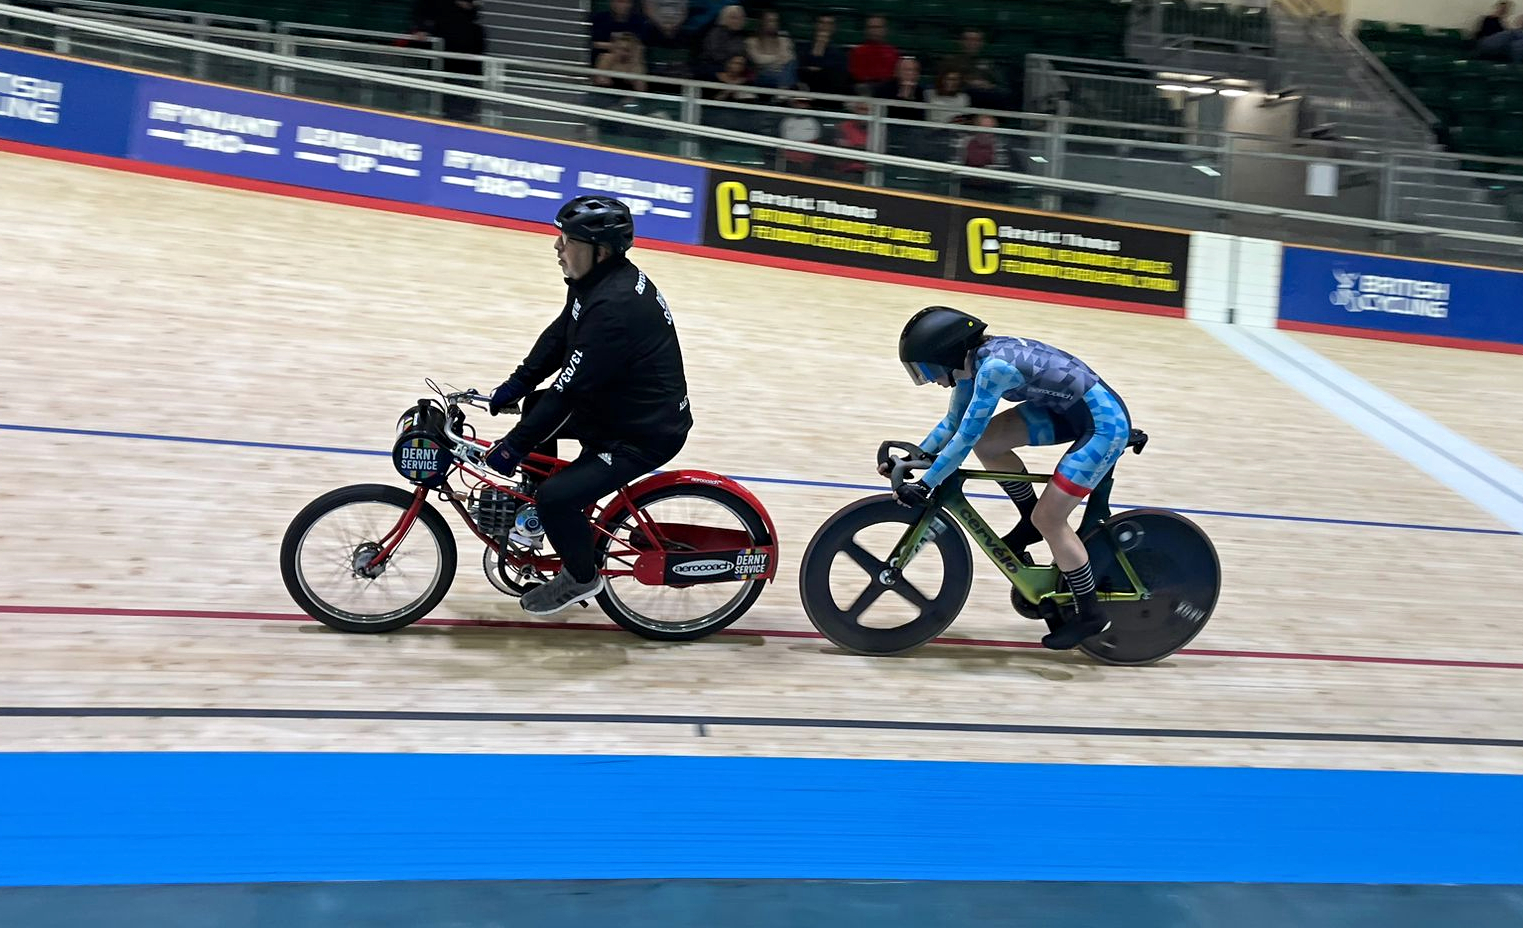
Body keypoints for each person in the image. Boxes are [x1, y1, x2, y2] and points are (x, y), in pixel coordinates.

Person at [483, 196, 693, 615]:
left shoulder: (614, 308)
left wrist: (512, 448)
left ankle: (581, 577)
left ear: (600, 250)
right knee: (535, 405)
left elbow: (569, 392)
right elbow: (563, 332)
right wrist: (520, 380)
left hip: (643, 433)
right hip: (619, 408)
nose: (557, 248)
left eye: (567, 240)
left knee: (557, 497)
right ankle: (541, 511)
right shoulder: (598, 284)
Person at [889, 306, 1132, 651]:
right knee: (991, 442)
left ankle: (1090, 612)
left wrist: (926, 482)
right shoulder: (970, 365)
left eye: (926, 369)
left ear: (945, 353)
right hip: (1065, 410)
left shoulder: (994, 370)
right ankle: (1027, 519)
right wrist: (915, 458)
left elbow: (964, 437)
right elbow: (953, 423)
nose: (927, 379)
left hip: (1103, 424)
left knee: (1051, 518)